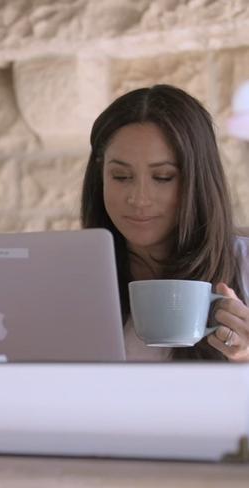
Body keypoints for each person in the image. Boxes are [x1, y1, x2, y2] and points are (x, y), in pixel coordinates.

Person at [80, 84, 249, 361]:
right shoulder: (78, 281)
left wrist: (245, 358)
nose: (139, 199)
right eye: (121, 177)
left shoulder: (244, 265)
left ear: (198, 181)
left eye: (163, 177)